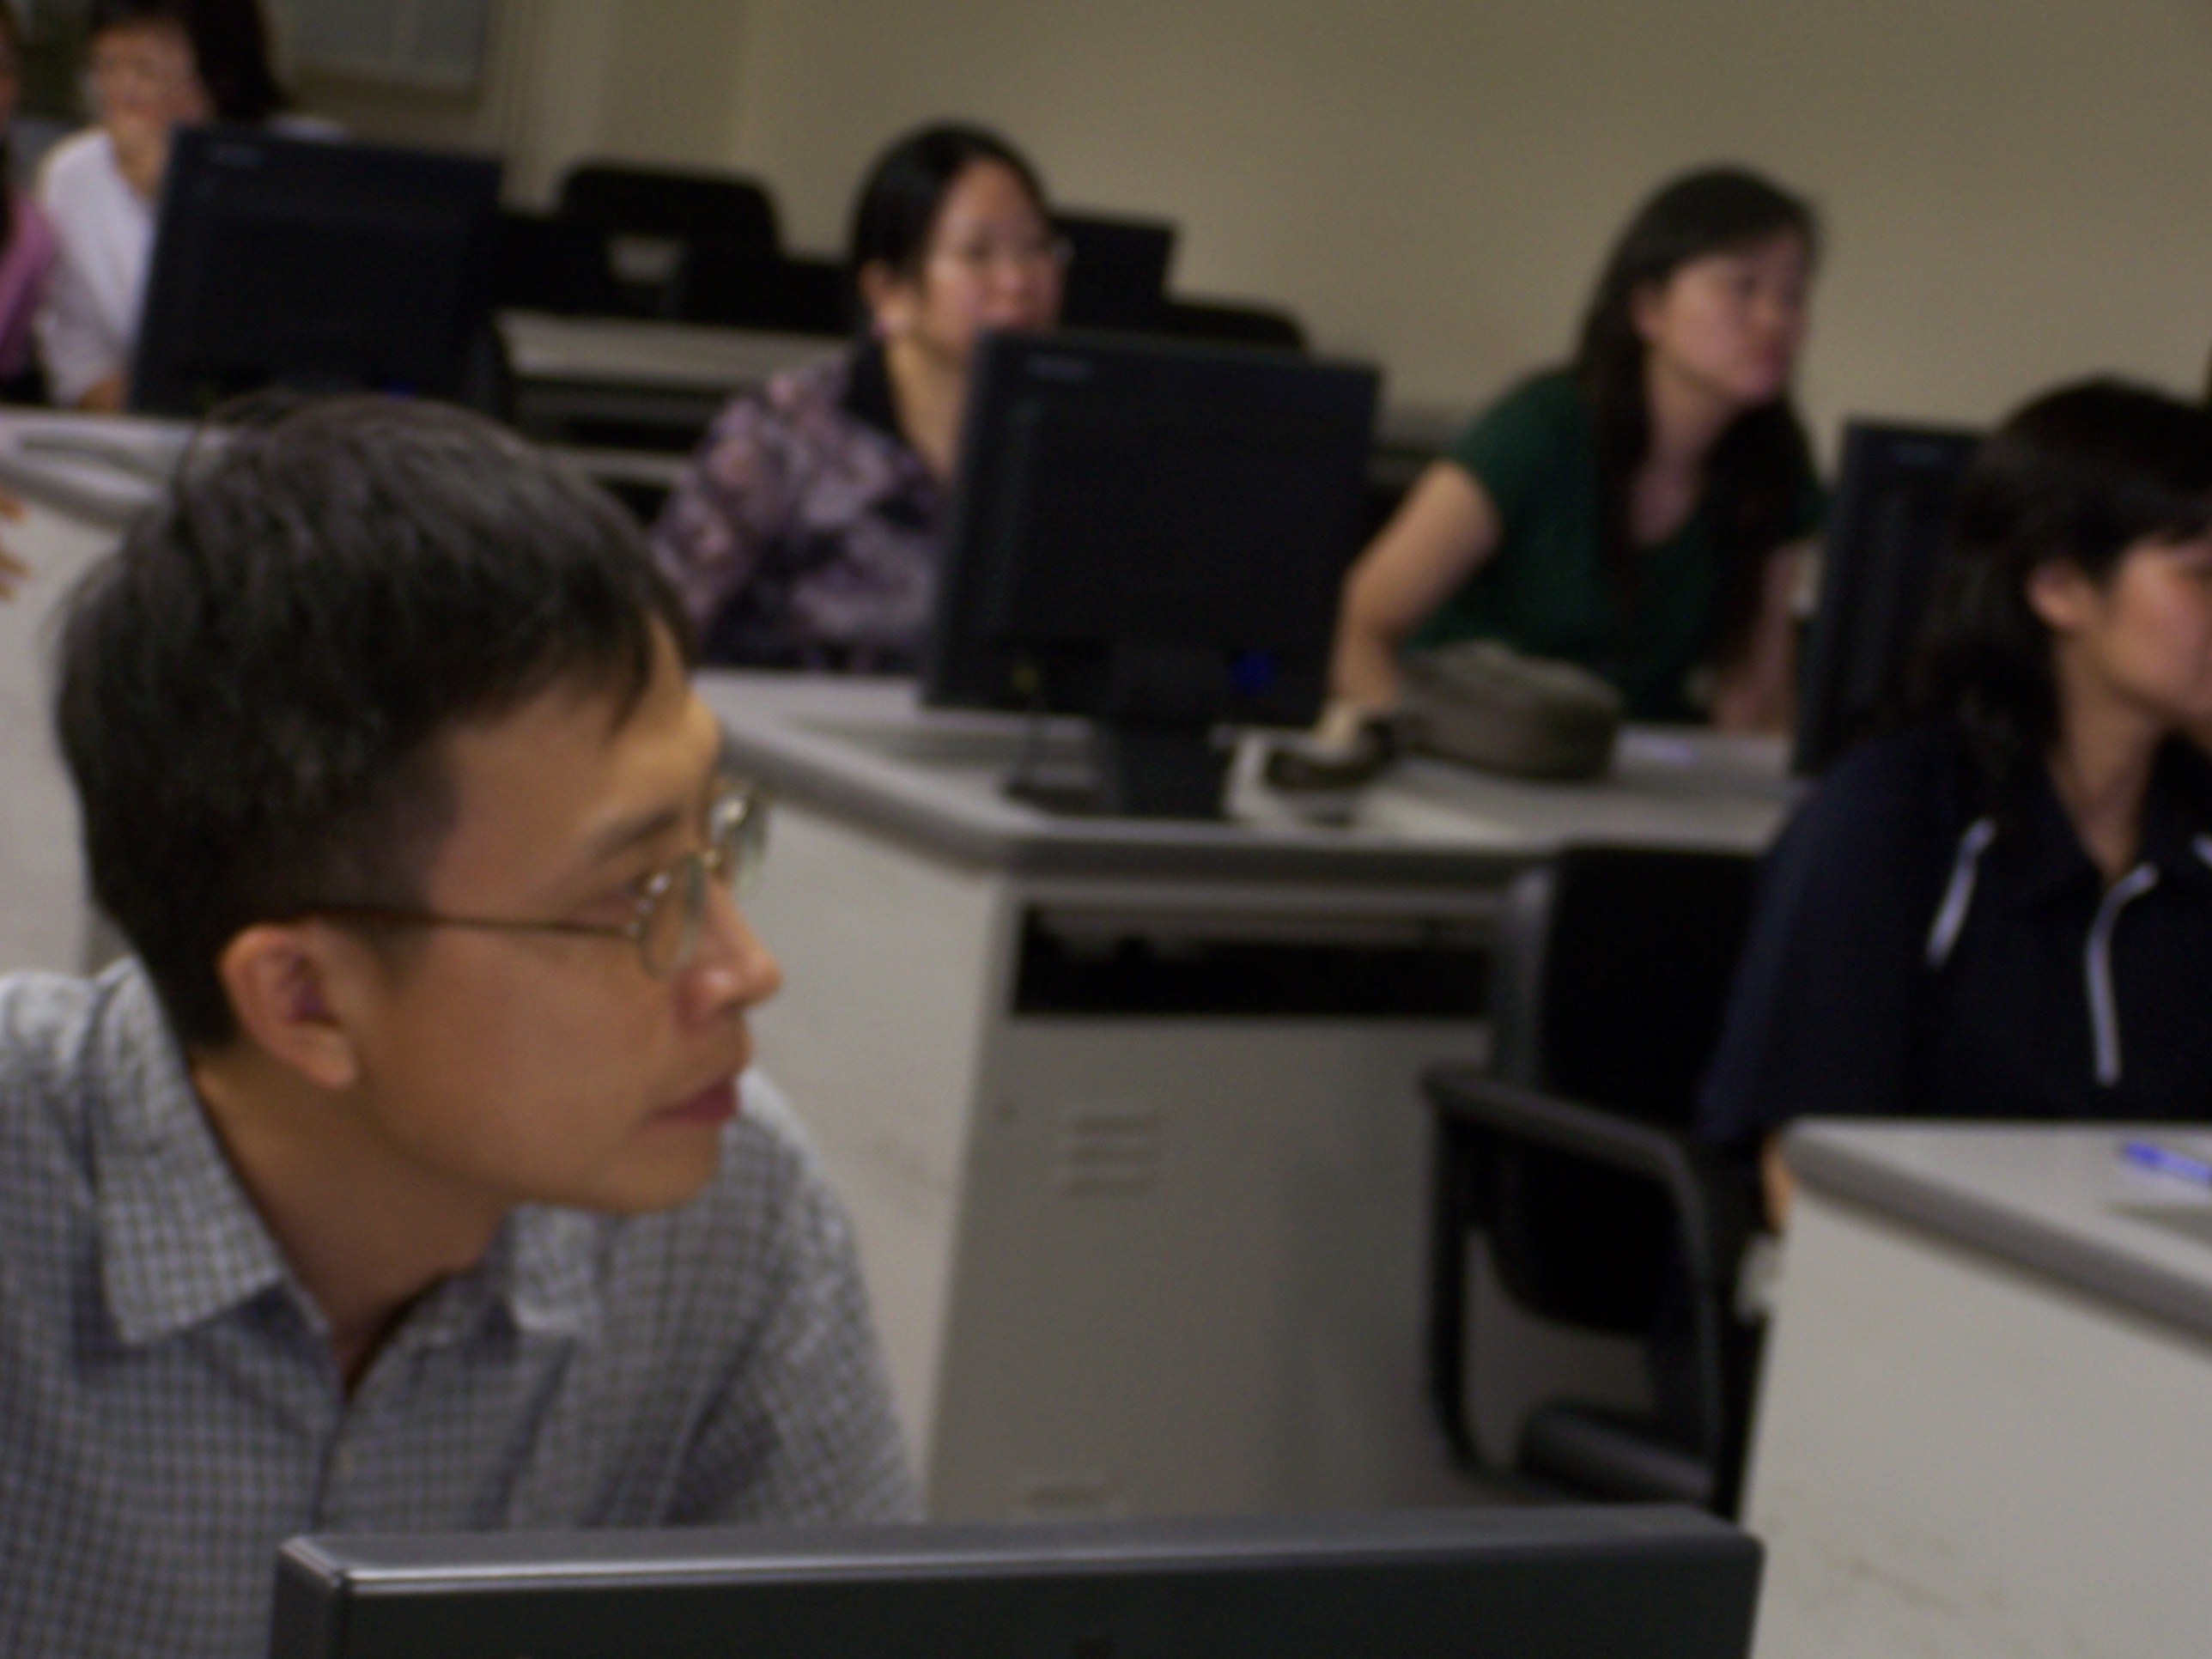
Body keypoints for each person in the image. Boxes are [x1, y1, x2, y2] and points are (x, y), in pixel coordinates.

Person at [0, 398, 914, 1655]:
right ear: (306, 1000)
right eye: (631, 896)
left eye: (713, 842)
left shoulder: (732, 1215)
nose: (744, 970)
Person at [1697, 380, 2212, 1228]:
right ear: (2059, 587)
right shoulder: (1890, 815)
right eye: (2200, 576)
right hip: (1902, 1278)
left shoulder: (2188, 828)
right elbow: (1802, 1173)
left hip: (2119, 1277)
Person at [1329, 167, 1822, 729]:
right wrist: (1405, 736)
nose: (1775, 318)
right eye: (1742, 286)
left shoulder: (1776, 461)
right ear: (1649, 307)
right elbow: (1355, 623)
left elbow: (1755, 698)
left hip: (1626, 762)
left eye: (1793, 294)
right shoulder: (1542, 428)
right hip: (1469, 741)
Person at [651, 122, 1065, 670]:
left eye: (1035, 247)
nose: (1017, 281)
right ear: (887, 292)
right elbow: (656, 635)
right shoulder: (782, 430)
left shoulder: (1070, 441)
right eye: (977, 252)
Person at [35, 0, 292, 410]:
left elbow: (279, 337)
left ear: (218, 74)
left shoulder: (301, 161)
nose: (123, 91)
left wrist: (172, 201)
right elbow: (77, 353)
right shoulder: (75, 173)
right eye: (106, 66)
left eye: (147, 70)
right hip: (139, 426)